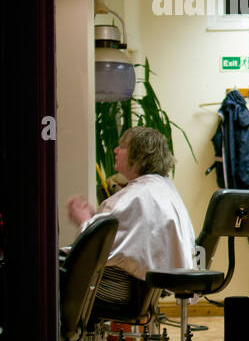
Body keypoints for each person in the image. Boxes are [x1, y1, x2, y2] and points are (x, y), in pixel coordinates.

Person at [66, 126, 195, 308]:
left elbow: (92, 248)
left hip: (118, 289)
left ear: (139, 155)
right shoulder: (161, 189)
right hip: (142, 288)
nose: (115, 150)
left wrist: (84, 220)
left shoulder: (137, 196)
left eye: (122, 146)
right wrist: (97, 221)